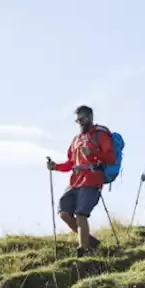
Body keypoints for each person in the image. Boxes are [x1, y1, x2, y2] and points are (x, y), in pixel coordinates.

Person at [46, 105, 114, 256]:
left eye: (82, 119)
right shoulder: (76, 140)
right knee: (63, 212)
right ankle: (90, 241)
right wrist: (55, 166)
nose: (79, 123)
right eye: (77, 120)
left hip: (92, 180)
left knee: (81, 214)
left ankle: (84, 250)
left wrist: (93, 152)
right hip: (75, 182)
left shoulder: (100, 135)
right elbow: (70, 163)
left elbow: (110, 158)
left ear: (90, 117)